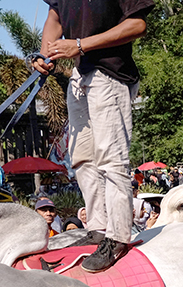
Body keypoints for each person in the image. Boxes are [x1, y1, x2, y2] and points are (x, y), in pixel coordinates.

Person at [33, 0, 155, 272]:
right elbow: (55, 17)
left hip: (110, 74)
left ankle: (119, 236)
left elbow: (137, 25)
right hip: (79, 75)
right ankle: (98, 228)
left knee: (111, 159)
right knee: (82, 158)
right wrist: (45, 55)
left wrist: (79, 45)